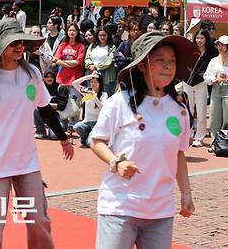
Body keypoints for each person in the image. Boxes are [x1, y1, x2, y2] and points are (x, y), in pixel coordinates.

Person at [0, 18, 74, 249]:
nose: (19, 46)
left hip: (26, 163)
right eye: (12, 42)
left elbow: (45, 110)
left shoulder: (33, 74)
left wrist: (63, 138)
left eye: (21, 41)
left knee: (39, 219)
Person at [90, 31, 197, 249]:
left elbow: (178, 153)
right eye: (160, 60)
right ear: (142, 65)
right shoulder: (119, 102)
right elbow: (97, 141)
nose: (168, 66)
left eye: (172, 61)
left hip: (160, 210)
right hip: (119, 207)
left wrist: (186, 193)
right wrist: (117, 163)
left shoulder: (179, 109)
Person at [204, 35, 228, 148]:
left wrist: (227, 76)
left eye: (222, 45)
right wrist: (213, 79)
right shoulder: (213, 60)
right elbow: (207, 75)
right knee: (214, 117)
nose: (220, 47)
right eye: (218, 44)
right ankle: (215, 143)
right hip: (216, 89)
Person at [180, 30, 217, 147]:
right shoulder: (190, 51)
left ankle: (199, 137)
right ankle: (188, 135)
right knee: (187, 110)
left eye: (201, 38)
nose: (199, 41)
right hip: (187, 83)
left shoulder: (212, 53)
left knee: (201, 112)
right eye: (197, 38)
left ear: (206, 39)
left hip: (201, 84)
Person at [72, 73, 107, 147]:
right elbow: (74, 83)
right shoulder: (86, 91)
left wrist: (95, 98)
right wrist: (89, 76)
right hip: (87, 122)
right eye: (92, 81)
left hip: (97, 124)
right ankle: (85, 138)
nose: (93, 84)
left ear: (100, 83)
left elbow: (103, 107)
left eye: (96, 82)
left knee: (89, 144)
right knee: (76, 127)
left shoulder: (104, 94)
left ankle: (91, 138)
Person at [54, 23, 86, 104]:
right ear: (67, 32)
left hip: (75, 79)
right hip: (62, 78)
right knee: (62, 103)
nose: (71, 32)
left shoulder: (81, 46)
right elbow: (56, 60)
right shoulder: (63, 45)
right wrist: (68, 63)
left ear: (77, 32)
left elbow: (78, 62)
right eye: (70, 30)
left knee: (74, 104)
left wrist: (63, 62)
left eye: (74, 30)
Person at [85, 25, 117, 95]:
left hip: (106, 77)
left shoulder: (112, 47)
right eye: (100, 35)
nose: (102, 37)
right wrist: (90, 65)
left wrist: (96, 67)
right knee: (91, 96)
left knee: (105, 96)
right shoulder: (92, 46)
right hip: (92, 74)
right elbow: (87, 58)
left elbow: (109, 61)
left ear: (108, 35)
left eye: (104, 35)